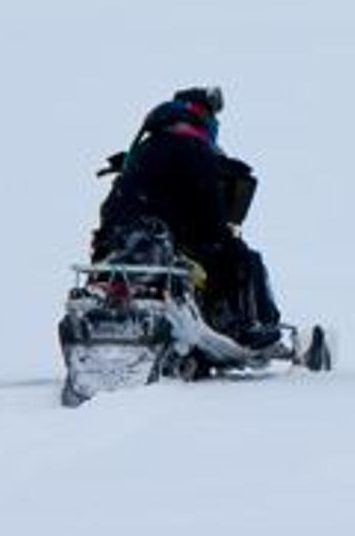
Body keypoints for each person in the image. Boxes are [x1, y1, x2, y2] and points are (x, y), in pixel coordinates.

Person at [91, 84, 284, 354]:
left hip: (118, 241)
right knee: (241, 256)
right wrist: (219, 235)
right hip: (167, 239)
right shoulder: (195, 148)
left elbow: (114, 205)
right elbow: (209, 211)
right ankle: (247, 326)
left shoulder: (142, 149)